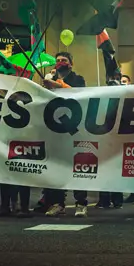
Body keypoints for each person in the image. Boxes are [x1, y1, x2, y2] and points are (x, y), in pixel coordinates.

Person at [42, 52, 88, 217]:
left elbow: (79, 94)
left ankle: (81, 203)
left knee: (77, 166)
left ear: (71, 64)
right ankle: (57, 203)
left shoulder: (78, 79)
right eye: (58, 60)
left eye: (64, 60)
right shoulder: (50, 79)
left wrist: (57, 85)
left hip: (73, 128)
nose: (60, 62)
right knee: (57, 167)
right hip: (55, 129)